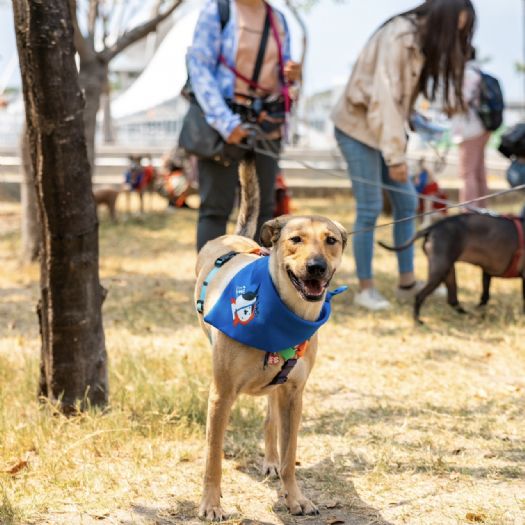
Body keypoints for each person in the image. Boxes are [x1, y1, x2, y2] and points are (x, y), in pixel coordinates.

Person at [332, 0, 476, 311]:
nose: (455, 38)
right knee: (369, 207)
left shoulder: (421, 43)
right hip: (357, 129)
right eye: (455, 30)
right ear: (440, 18)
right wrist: (396, 158)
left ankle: (407, 281)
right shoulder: (399, 36)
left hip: (384, 132)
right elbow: (384, 100)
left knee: (408, 202)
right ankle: (365, 288)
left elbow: (400, 105)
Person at [187, 0, 301, 251]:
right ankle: (210, 285)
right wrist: (227, 124)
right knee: (216, 209)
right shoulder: (218, 11)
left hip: (265, 125)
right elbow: (200, 69)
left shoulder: (278, 19)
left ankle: (259, 285)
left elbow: (284, 78)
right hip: (221, 125)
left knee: (265, 212)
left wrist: (291, 76)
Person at [451, 46, 491, 208]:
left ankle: (469, 215)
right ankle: (482, 211)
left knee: (468, 174)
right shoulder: (479, 72)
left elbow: (458, 103)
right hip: (483, 128)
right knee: (479, 172)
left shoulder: (466, 74)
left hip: (469, 130)